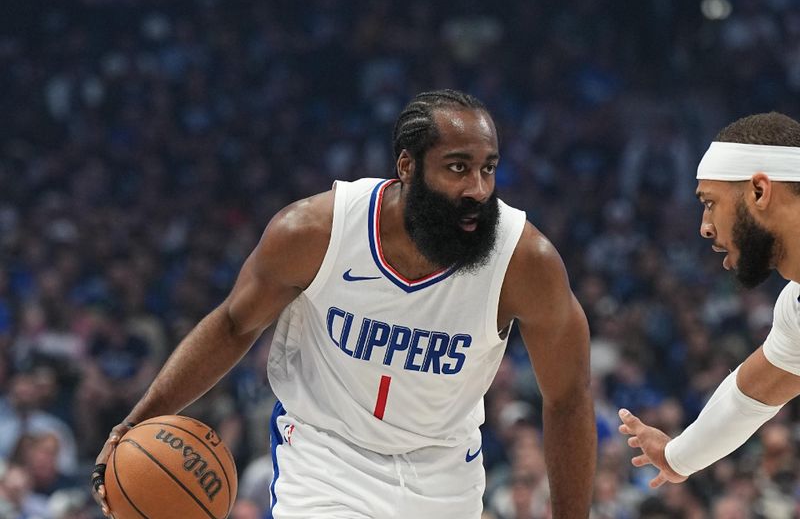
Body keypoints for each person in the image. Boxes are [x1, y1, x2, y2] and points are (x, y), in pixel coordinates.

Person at [91, 89, 596, 518]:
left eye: (488, 169)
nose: (477, 189)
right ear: (407, 166)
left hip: (445, 471)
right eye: (457, 168)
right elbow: (233, 326)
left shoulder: (524, 260)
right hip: (325, 457)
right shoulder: (315, 232)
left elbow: (568, 396)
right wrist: (138, 420)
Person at [619, 112, 800, 488]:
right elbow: (752, 394)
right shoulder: (795, 306)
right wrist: (678, 457)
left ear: (759, 192)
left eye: (711, 202)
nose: (704, 226)